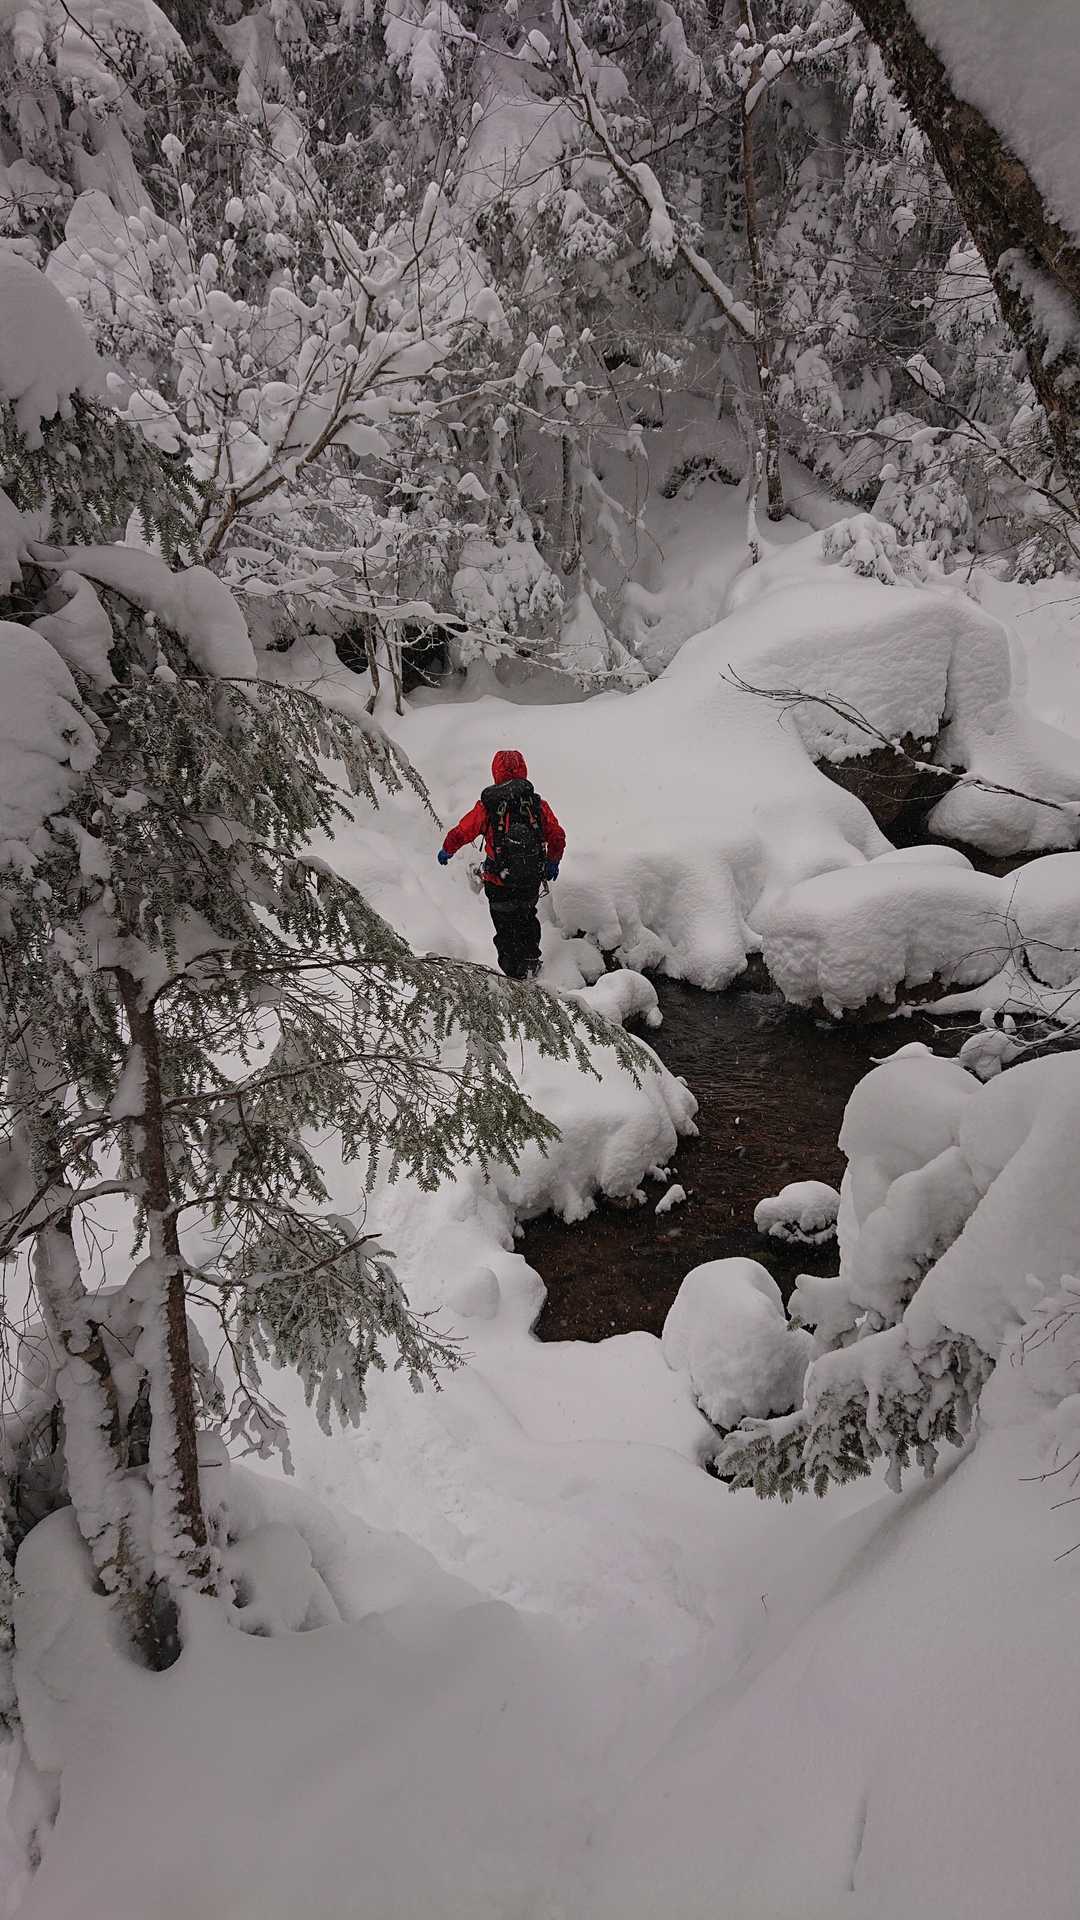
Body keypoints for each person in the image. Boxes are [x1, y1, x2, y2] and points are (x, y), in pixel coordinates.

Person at [437, 749, 565, 979]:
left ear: (495, 772)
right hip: (529, 879)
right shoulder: (536, 804)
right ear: (524, 770)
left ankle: (513, 975)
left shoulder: (488, 805)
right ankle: (531, 963)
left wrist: (447, 849)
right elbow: (557, 835)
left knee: (505, 927)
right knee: (527, 917)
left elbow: (463, 831)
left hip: (499, 881)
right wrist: (552, 861)